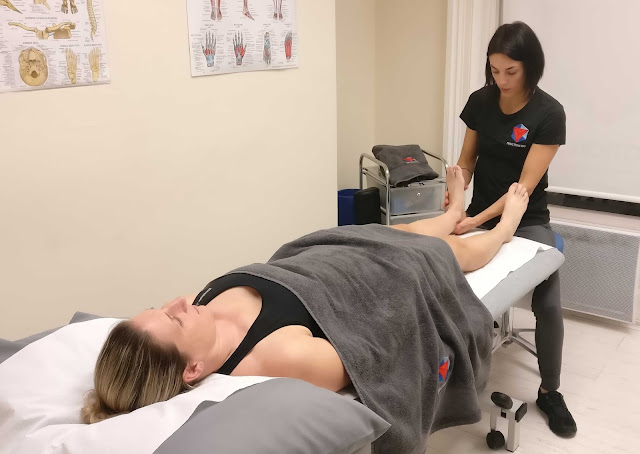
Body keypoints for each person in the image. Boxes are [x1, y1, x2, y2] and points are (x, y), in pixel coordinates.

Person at [81, 166, 531, 424]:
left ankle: (454, 209)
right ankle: (504, 229)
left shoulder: (201, 315)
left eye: (161, 307)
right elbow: (373, 348)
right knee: (443, 252)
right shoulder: (277, 357)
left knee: (405, 231)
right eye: (174, 319)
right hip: (371, 279)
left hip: (326, 257)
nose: (179, 301)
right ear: (193, 368)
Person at [447, 21, 577, 437]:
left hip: (527, 219)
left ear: (530, 68)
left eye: (511, 72)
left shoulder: (549, 113)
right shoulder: (480, 102)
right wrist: (456, 191)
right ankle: (457, 381)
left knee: (549, 302)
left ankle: (551, 391)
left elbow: (523, 188)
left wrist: (477, 221)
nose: (501, 80)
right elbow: (467, 161)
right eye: (494, 70)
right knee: (451, 283)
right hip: (479, 213)